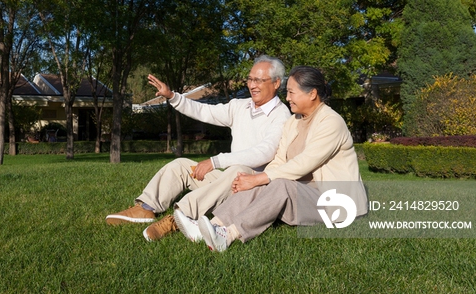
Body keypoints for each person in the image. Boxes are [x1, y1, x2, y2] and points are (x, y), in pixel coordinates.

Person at [174, 65, 368, 251]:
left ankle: (229, 234)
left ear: (312, 94)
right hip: (302, 193)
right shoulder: (293, 122)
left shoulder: (331, 122)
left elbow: (305, 162)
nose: (287, 98)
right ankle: (210, 226)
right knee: (261, 181)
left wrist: (260, 178)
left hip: (335, 201)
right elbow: (279, 161)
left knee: (278, 183)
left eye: (292, 92)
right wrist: (254, 181)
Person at [105, 55, 291, 242]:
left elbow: (264, 152)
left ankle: (178, 218)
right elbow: (205, 111)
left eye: (259, 80)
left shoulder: (281, 115)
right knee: (181, 165)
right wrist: (172, 96)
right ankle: (145, 209)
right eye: (250, 79)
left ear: (276, 83)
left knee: (239, 170)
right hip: (228, 178)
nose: (252, 85)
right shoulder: (240, 106)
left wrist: (215, 161)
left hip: (250, 185)